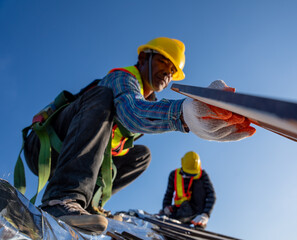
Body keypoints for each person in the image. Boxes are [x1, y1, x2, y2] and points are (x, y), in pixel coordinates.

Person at [18, 37, 256, 233]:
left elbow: (138, 117)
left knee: (141, 155)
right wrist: (184, 114)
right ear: (143, 58)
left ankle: (89, 203)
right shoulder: (121, 78)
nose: (168, 72)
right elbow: (133, 112)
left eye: (173, 70)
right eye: (164, 62)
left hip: (76, 156)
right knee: (101, 96)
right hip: (46, 148)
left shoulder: (147, 99)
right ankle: (60, 200)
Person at [161, 151, 215, 229]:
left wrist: (205, 214)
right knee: (169, 217)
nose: (190, 176)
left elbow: (211, 195)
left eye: (192, 174)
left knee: (200, 184)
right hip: (181, 211)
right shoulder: (174, 175)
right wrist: (165, 208)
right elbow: (168, 194)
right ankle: (170, 221)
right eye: (188, 174)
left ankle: (199, 226)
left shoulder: (202, 175)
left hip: (197, 212)